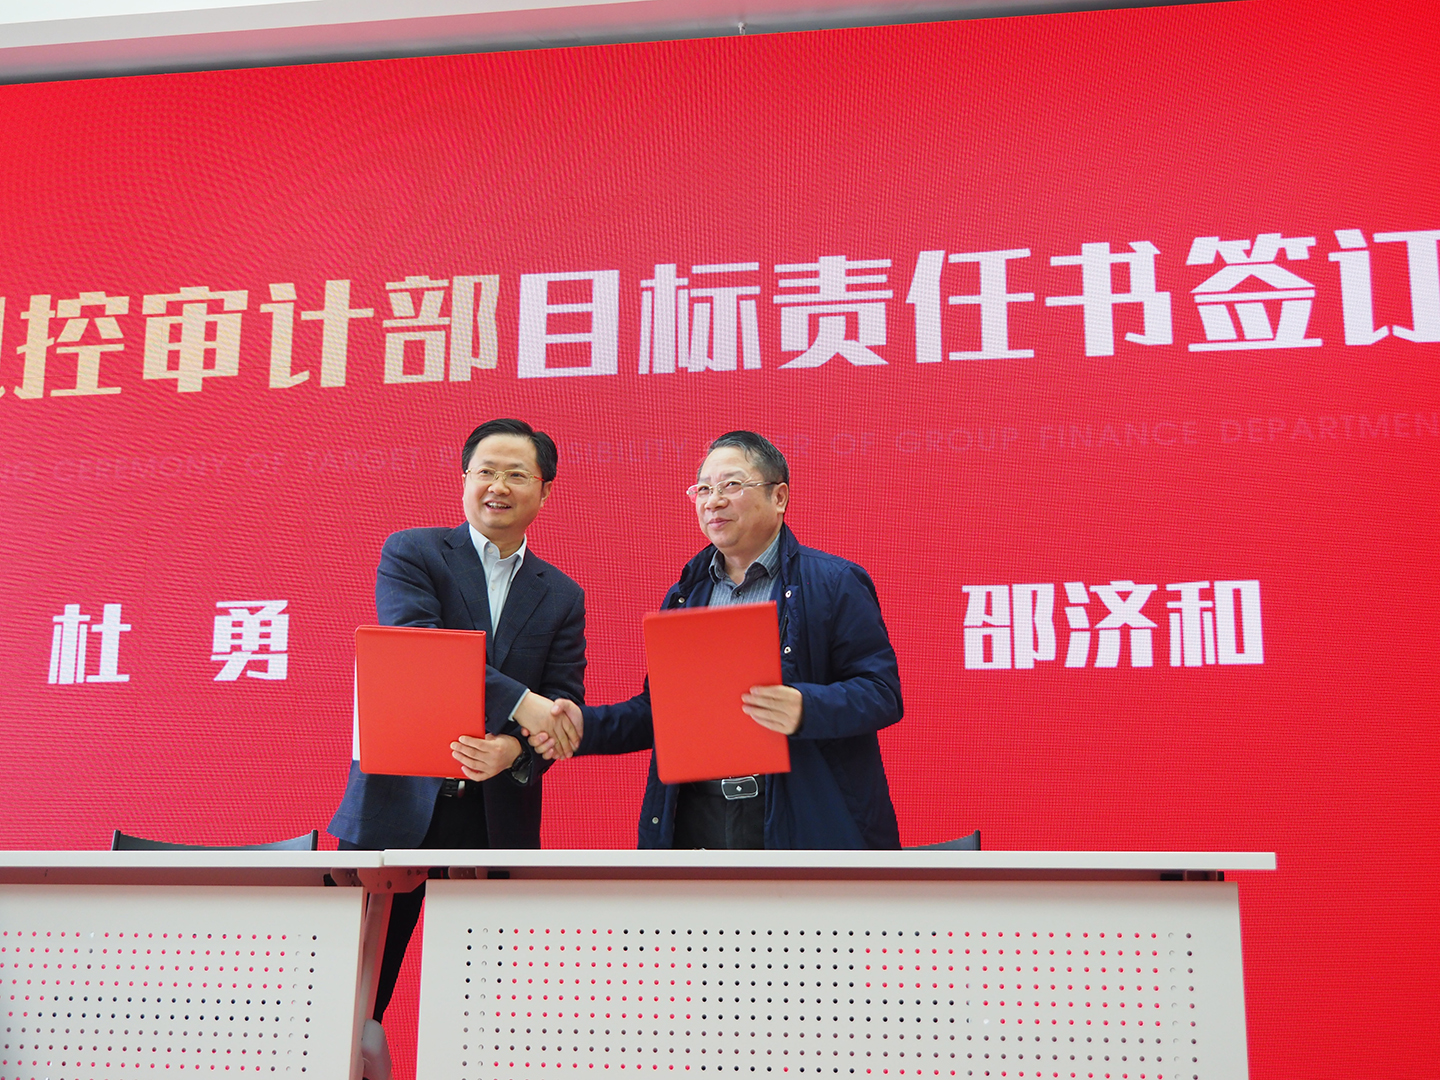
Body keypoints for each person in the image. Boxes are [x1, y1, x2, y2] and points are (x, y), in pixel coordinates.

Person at [328, 418, 585, 1075]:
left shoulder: (562, 595)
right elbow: (421, 650)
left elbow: (561, 705)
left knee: (483, 1017)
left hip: (493, 823)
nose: (498, 486)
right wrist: (521, 706)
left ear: (545, 491)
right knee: (347, 1003)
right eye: (485, 471)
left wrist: (514, 752)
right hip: (394, 811)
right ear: (464, 479)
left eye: (516, 474)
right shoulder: (414, 553)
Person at [534, 430, 901, 850]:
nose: (713, 501)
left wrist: (805, 706)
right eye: (704, 489)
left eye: (731, 485)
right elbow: (663, 713)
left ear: (779, 497)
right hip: (698, 817)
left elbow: (881, 693)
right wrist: (587, 727)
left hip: (797, 819)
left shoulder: (834, 582)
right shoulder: (687, 594)